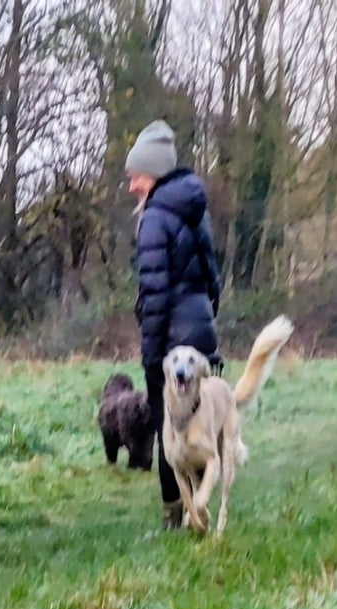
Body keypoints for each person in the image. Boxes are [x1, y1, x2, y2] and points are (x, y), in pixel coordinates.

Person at [126, 120, 222, 531]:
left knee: (171, 433)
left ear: (154, 175)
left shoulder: (154, 218)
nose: (132, 185)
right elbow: (214, 278)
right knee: (201, 426)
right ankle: (198, 511)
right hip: (200, 331)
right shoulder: (194, 212)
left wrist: (151, 352)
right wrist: (205, 320)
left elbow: (155, 293)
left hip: (172, 340)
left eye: (137, 176)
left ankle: (174, 517)